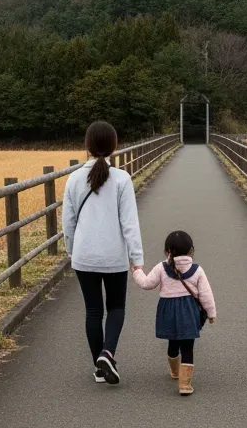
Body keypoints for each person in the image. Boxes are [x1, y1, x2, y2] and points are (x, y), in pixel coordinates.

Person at [63, 121, 144, 384]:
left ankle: (99, 368)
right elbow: (129, 223)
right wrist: (137, 259)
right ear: (113, 146)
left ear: (87, 145)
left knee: (93, 311)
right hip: (113, 256)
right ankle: (107, 353)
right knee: (116, 307)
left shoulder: (74, 179)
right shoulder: (121, 179)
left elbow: (68, 223)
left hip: (84, 256)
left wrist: (72, 251)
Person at [132, 230, 217, 396]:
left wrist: (137, 271)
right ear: (191, 250)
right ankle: (185, 384)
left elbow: (147, 284)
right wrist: (211, 313)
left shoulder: (161, 268)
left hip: (168, 312)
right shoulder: (197, 270)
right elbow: (206, 294)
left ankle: (175, 371)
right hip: (189, 312)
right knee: (187, 347)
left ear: (167, 252)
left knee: (173, 343)